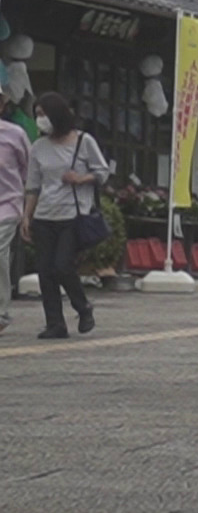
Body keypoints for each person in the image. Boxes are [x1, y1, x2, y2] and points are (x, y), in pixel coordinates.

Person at [22, 93, 108, 339]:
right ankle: (55, 323)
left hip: (72, 214)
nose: (40, 120)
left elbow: (102, 172)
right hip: (45, 215)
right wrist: (27, 216)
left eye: (42, 115)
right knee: (45, 270)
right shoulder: (38, 147)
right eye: (37, 115)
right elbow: (33, 185)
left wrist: (81, 178)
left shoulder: (83, 142)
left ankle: (83, 307)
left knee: (62, 266)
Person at [0, 95, 28, 333]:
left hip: (7, 205)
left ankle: (0, 312)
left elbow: (29, 171)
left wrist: (30, 209)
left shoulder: (14, 135)